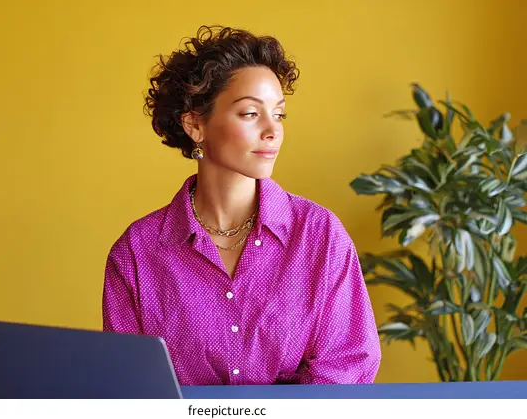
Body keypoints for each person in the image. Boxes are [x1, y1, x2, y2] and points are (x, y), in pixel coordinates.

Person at [102, 25, 381, 385]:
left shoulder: (320, 236)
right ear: (195, 124)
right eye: (251, 113)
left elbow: (347, 366)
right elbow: (130, 388)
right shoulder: (136, 254)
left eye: (278, 114)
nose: (272, 130)